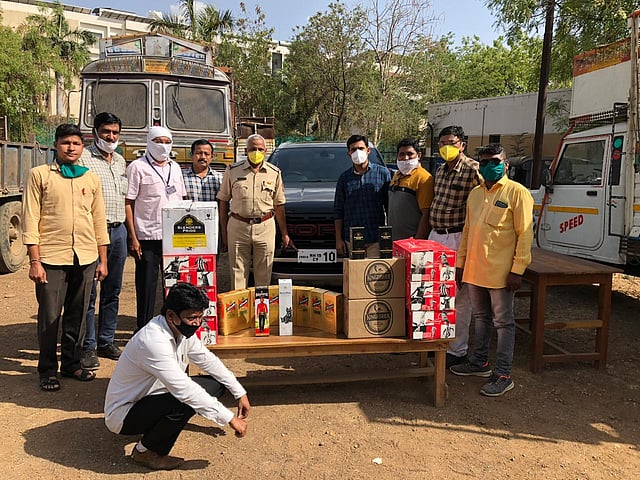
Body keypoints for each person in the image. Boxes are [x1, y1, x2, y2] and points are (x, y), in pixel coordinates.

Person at [104, 282, 250, 470]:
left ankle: (157, 427)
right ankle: (145, 452)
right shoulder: (153, 341)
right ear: (171, 315)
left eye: (200, 317)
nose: (197, 323)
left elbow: (207, 359)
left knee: (215, 386)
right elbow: (184, 390)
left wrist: (239, 392)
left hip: (151, 395)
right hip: (124, 414)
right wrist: (229, 418)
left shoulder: (179, 330)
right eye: (192, 318)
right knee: (184, 400)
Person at [22, 123, 109, 391]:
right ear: (56, 145)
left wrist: (103, 259)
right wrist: (35, 261)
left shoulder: (90, 178)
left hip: (85, 256)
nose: (71, 148)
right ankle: (47, 369)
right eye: (66, 143)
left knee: (78, 313)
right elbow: (30, 218)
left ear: (82, 148)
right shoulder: (39, 175)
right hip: (51, 257)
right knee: (50, 316)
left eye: (76, 143)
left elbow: (98, 219)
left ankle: (71, 364)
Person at [450, 143, 534, 397]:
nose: (489, 166)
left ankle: (503, 374)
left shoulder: (518, 193)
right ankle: (479, 362)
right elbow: (467, 232)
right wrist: (460, 264)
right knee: (481, 318)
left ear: (505, 165)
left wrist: (518, 269)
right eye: (484, 162)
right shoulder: (475, 194)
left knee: (503, 323)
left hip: (502, 273)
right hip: (475, 270)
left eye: (495, 161)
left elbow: (525, 234)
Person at [428, 125, 482, 369]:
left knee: (459, 296)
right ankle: (439, 342)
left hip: (458, 237)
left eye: (451, 142)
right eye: (442, 143)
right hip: (436, 236)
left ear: (462, 144)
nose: (446, 147)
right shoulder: (440, 170)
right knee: (436, 294)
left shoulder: (473, 170)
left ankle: (457, 349)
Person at [78, 112, 128, 371]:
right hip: (92, 232)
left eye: (115, 133)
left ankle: (106, 340)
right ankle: (87, 346)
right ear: (95, 132)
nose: (110, 137)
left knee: (113, 290)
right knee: (89, 292)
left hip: (118, 231)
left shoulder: (120, 161)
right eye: (106, 132)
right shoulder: (83, 158)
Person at [125, 126, 187, 329]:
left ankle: (173, 327)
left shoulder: (175, 167)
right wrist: (133, 237)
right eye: (158, 141)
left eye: (167, 142)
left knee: (174, 285)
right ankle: (143, 328)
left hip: (174, 238)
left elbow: (181, 198)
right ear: (149, 142)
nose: (163, 146)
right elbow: (129, 202)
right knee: (147, 286)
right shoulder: (137, 167)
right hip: (148, 236)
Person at [217, 134, 294, 290]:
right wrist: (224, 235)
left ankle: (261, 305)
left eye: (260, 149)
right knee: (237, 273)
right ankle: (239, 305)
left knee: (264, 273)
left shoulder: (274, 173)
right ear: (246, 151)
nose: (256, 152)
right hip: (238, 226)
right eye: (253, 149)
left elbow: (279, 206)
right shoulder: (232, 171)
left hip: (265, 226)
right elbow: (223, 202)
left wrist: (284, 234)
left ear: (265, 151)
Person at [334, 134, 390, 258]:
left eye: (361, 148)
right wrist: (338, 239)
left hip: (376, 239)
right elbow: (338, 210)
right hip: (352, 240)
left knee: (374, 270)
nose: (357, 152)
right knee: (354, 271)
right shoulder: (344, 179)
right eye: (353, 150)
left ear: (368, 150)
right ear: (349, 154)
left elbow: (389, 207)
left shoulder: (383, 174)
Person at [388, 138, 434, 240]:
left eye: (410, 154)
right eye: (402, 154)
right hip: (394, 239)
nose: (405, 158)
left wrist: (417, 241)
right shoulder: (397, 175)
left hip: (411, 241)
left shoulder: (424, 178)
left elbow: (426, 214)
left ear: (419, 155)